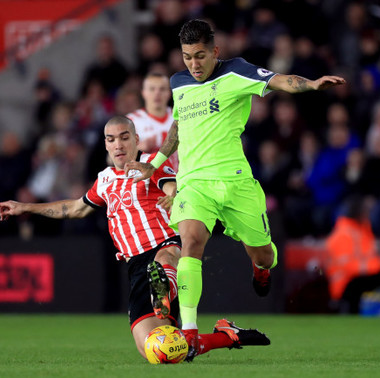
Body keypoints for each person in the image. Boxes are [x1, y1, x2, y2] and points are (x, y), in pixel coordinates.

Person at [125, 19, 345, 360]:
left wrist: (312, 85)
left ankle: (259, 268)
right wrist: (154, 164)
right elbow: (179, 127)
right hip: (194, 182)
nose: (193, 65)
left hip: (236, 183)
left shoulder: (236, 72)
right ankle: (191, 333)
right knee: (191, 242)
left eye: (200, 56)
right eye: (187, 57)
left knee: (265, 255)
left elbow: (280, 80)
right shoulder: (179, 83)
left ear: (215, 51)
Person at [0, 115, 269, 360]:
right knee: (161, 350)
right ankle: (227, 335)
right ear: (105, 145)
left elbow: (171, 184)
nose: (119, 145)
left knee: (167, 257)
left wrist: (173, 195)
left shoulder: (150, 163)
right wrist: (26, 207)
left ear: (136, 140)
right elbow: (75, 208)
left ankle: (164, 286)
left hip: (166, 248)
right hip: (136, 268)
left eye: (125, 137)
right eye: (112, 139)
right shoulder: (103, 180)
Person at [126, 72, 178, 170]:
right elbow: (112, 158)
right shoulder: (131, 121)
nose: (157, 93)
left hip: (177, 180)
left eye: (162, 89)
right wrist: (138, 149)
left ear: (169, 93)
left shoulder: (181, 117)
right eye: (152, 89)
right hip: (145, 182)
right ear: (143, 93)